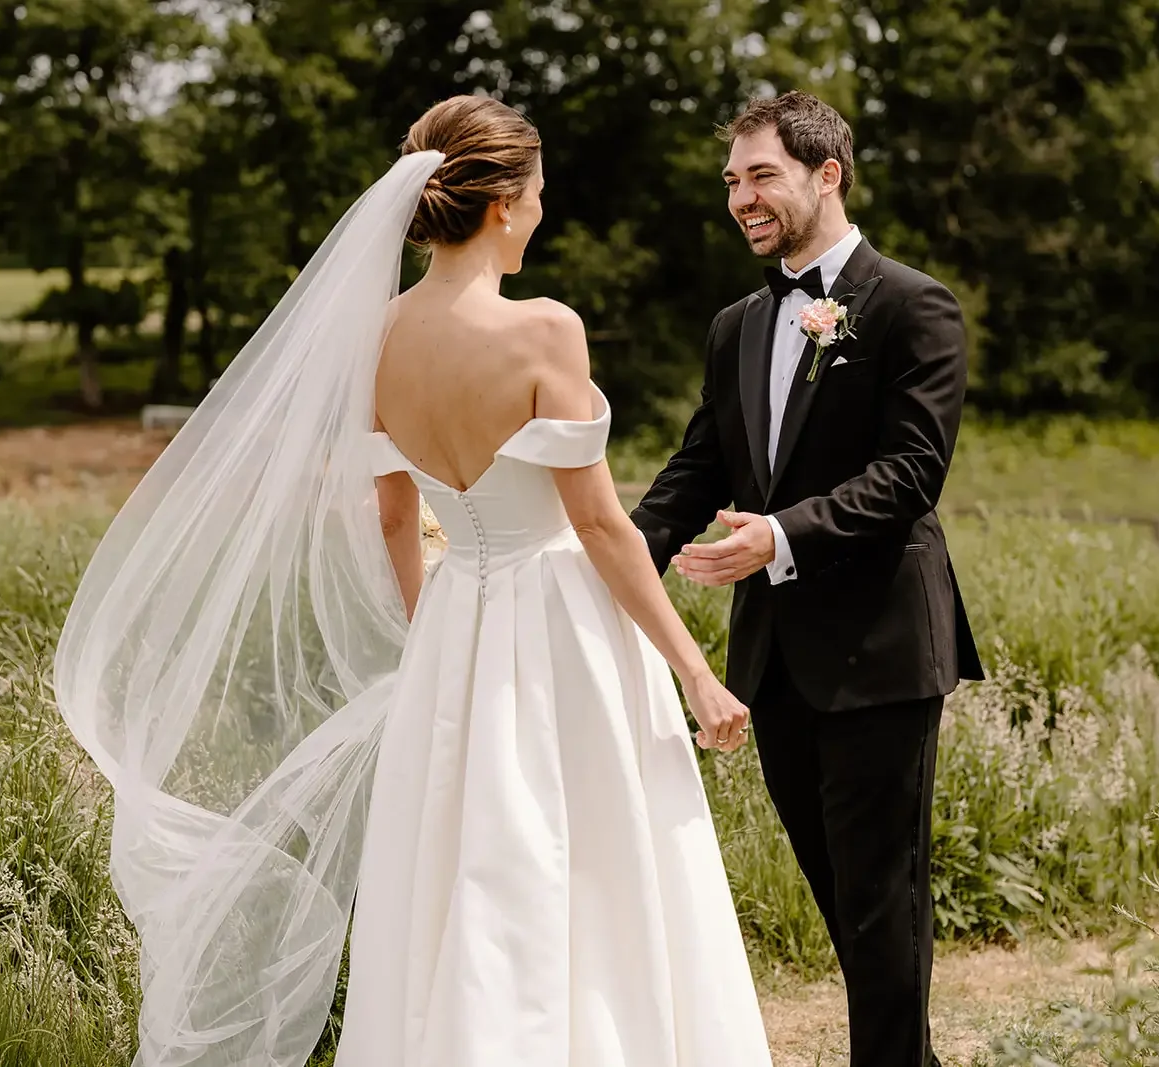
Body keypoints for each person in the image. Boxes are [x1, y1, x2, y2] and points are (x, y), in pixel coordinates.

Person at [54, 95, 771, 1067]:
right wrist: (694, 668)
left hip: (453, 623)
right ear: (503, 203)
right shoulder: (546, 329)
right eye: (539, 195)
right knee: (593, 857)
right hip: (561, 622)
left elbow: (394, 515)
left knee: (466, 866)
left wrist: (439, 635)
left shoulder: (378, 334)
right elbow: (600, 523)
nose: (541, 214)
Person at [631, 90, 986, 1067]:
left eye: (761, 176)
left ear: (826, 174)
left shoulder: (914, 305)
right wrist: (612, 549)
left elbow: (912, 473)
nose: (741, 198)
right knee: (843, 899)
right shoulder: (736, 325)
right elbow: (699, 468)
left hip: (879, 651)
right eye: (732, 181)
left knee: (881, 902)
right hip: (775, 658)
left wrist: (778, 537)